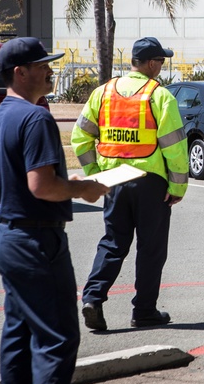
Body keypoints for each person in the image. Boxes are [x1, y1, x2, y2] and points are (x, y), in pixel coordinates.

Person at [0, 37, 108, 384]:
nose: (50, 71)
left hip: (7, 235)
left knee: (18, 337)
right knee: (57, 341)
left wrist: (64, 182)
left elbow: (5, 180)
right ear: (20, 73)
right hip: (36, 242)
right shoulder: (35, 117)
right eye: (42, 65)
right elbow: (40, 186)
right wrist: (83, 190)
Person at [72, 37, 188, 331]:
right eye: (161, 61)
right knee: (150, 249)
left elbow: (80, 138)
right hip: (149, 183)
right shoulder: (160, 97)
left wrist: (96, 174)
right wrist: (177, 188)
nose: (162, 66)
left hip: (113, 182)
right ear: (151, 64)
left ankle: (93, 299)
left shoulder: (103, 93)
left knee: (112, 243)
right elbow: (174, 148)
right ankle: (144, 311)